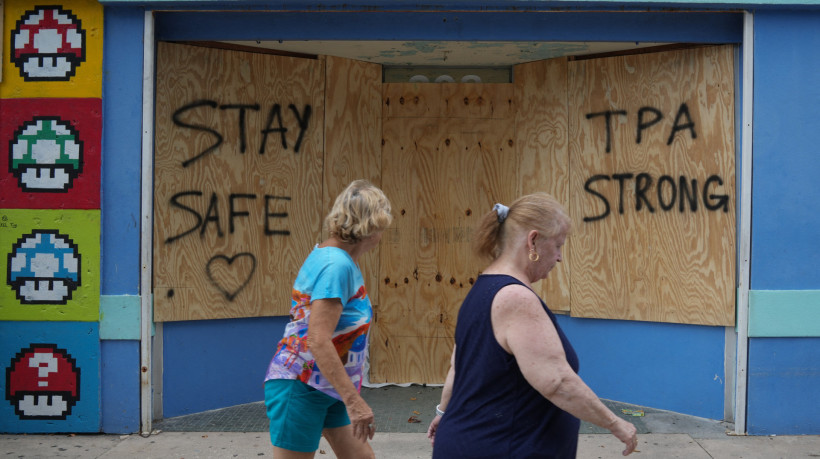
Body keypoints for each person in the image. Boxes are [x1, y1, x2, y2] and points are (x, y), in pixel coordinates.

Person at [426, 193, 638, 458]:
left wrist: (443, 414)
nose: (560, 258)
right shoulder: (516, 299)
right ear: (533, 241)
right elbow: (558, 382)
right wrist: (616, 424)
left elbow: (459, 367)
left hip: (471, 441)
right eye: (559, 245)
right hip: (502, 447)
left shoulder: (481, 290)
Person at [263, 179, 392, 459]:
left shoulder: (342, 260)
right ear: (372, 227)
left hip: (327, 386)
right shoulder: (336, 266)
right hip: (300, 385)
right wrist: (354, 401)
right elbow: (318, 340)